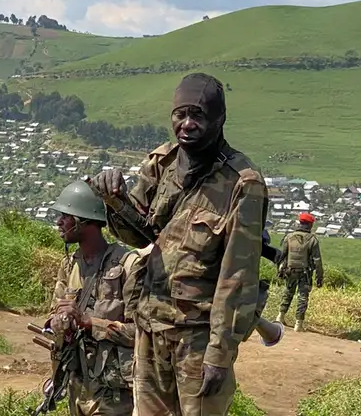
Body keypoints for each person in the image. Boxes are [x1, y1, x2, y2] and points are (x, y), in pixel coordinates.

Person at [91, 72, 267, 416]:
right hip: (150, 326)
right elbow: (136, 236)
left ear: (220, 119)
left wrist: (220, 353)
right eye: (180, 114)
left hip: (198, 338)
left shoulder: (242, 183)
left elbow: (238, 276)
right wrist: (114, 200)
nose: (186, 124)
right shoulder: (163, 162)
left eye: (198, 115)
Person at [41, 180, 139, 415]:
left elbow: (143, 334)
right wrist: (58, 323)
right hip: (78, 385)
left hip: (113, 393)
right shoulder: (69, 265)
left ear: (84, 221)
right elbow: (54, 314)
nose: (60, 222)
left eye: (67, 216)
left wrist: (89, 322)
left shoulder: (128, 266)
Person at [274, 212, 323, 332]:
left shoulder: (289, 237)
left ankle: (280, 316)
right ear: (310, 225)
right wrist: (319, 277)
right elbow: (317, 261)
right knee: (303, 297)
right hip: (305, 273)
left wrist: (279, 271)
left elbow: (282, 256)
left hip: (290, 271)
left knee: (288, 292)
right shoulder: (312, 240)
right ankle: (298, 324)